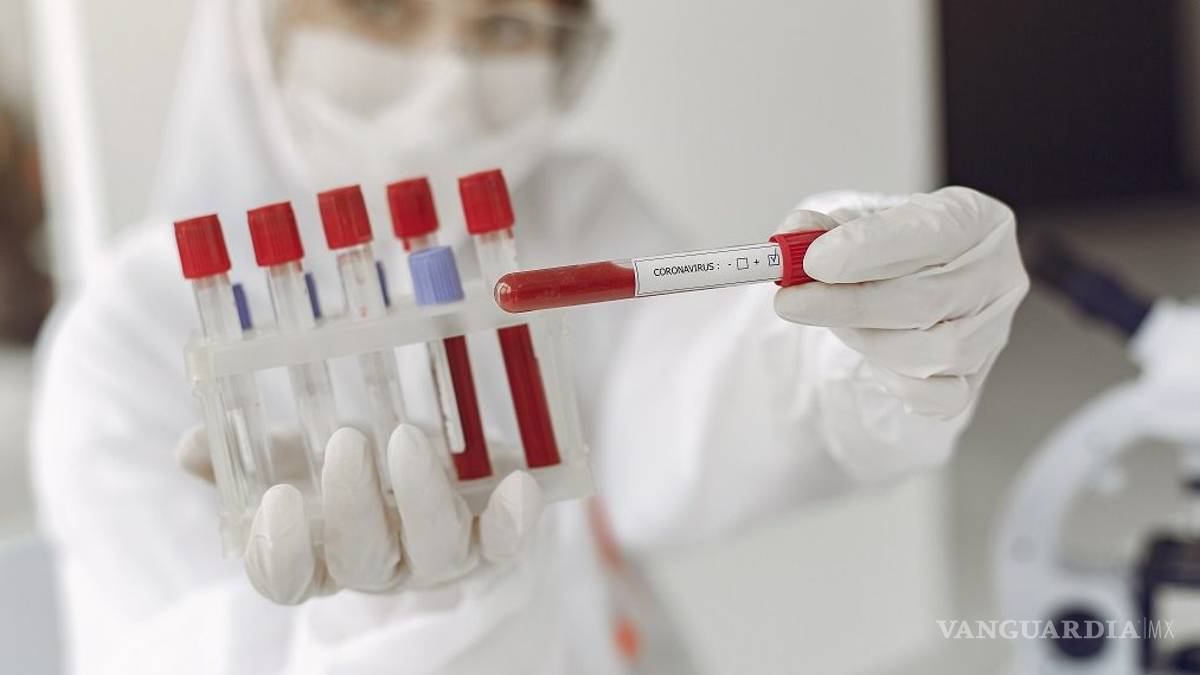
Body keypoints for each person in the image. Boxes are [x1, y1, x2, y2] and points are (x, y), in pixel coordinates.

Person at [30, 0, 1028, 672]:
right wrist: (393, 623)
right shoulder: (130, 335)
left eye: (506, 24)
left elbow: (683, 406)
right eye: (381, 6)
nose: (448, 77)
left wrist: (852, 321)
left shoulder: (572, 216)